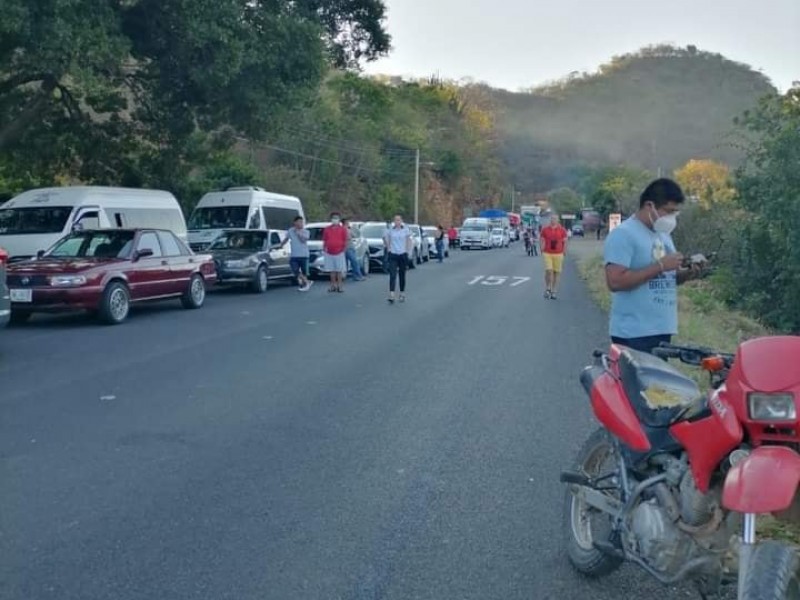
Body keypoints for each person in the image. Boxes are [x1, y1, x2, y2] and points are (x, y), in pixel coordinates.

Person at [604, 178, 702, 354]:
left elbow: (669, 277)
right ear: (650, 206)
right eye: (669, 211)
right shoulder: (623, 234)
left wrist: (688, 273)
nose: (672, 218)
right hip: (633, 333)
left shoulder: (663, 235)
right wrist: (660, 266)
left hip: (662, 329)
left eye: (675, 213)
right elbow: (615, 282)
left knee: (658, 382)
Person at [383, 214, 413, 303]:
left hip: (402, 254)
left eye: (399, 220)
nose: (397, 222)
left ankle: (402, 293)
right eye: (396, 220)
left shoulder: (405, 229)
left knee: (402, 275)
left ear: (401, 221)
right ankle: (392, 294)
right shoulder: (391, 230)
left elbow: (409, 240)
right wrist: (388, 248)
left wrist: (408, 251)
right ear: (394, 221)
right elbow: (385, 237)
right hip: (393, 254)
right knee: (392, 275)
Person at [540, 214, 568, 299]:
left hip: (558, 253)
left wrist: (564, 251)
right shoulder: (545, 229)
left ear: (558, 220)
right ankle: (548, 288)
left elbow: (565, 241)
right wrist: (541, 248)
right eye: (552, 218)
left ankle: (554, 291)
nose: (553, 220)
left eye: (555, 219)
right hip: (547, 253)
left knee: (557, 272)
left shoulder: (562, 230)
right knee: (549, 271)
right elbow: (542, 239)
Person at [281, 216, 312, 291]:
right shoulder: (290, 230)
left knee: (304, 272)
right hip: (294, 255)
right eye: (299, 222)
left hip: (304, 255)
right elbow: (286, 239)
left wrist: (298, 233)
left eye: (302, 222)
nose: (301, 223)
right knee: (295, 270)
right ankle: (307, 282)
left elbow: (303, 240)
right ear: (295, 223)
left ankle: (304, 284)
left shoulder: (306, 231)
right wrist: (281, 244)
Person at [322, 212, 348, 293]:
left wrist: (344, 249)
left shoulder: (343, 229)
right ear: (331, 219)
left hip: (339, 252)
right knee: (331, 270)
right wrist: (324, 248)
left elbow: (345, 240)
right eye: (333, 218)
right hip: (329, 252)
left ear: (339, 219)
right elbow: (325, 240)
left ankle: (340, 286)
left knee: (339, 270)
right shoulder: (327, 229)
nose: (335, 219)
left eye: (336, 218)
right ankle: (333, 286)